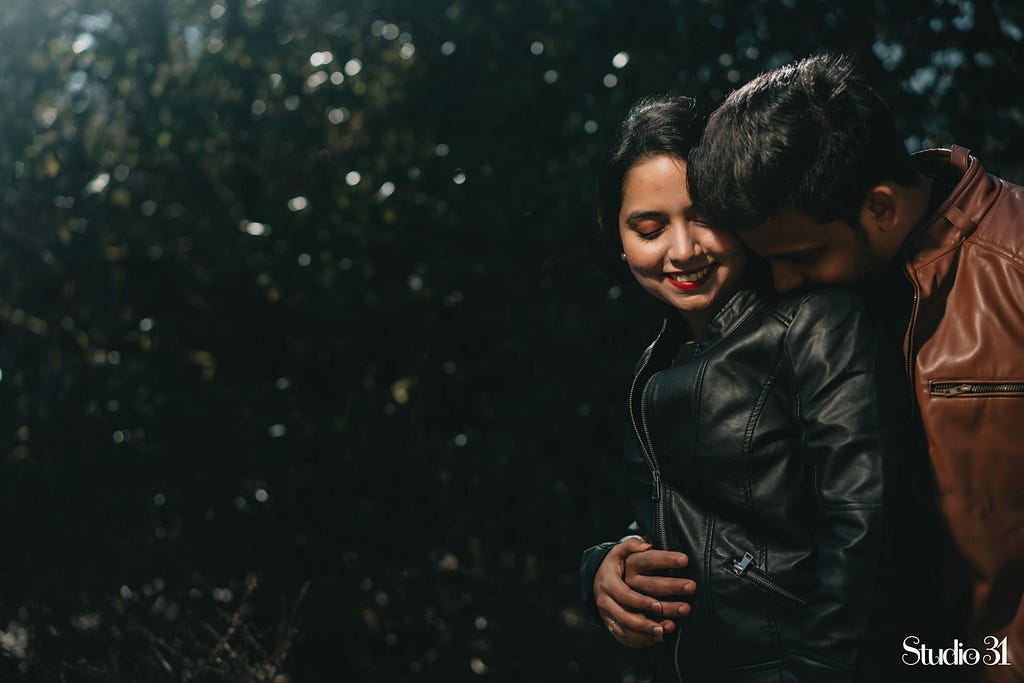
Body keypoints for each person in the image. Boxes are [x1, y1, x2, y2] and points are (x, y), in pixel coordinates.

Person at [685, 53, 1024, 683]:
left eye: (803, 257)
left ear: (879, 209)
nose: (782, 283)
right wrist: (611, 557)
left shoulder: (1016, 270)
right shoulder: (782, 287)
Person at [579, 94, 913, 681]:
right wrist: (603, 568)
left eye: (704, 216)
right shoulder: (657, 360)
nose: (682, 251)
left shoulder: (818, 321)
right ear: (618, 237)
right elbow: (686, 518)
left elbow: (870, 530)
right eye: (650, 228)